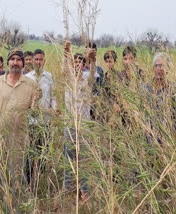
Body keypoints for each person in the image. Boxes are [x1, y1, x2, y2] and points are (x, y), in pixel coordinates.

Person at [0, 49, 38, 202]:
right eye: (12, 59)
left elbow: (35, 114)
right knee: (1, 173)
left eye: (19, 59)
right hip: (1, 138)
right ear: (8, 62)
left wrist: (36, 103)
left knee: (17, 174)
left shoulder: (31, 84)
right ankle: (2, 203)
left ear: (23, 63)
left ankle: (15, 203)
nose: (15, 62)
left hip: (20, 139)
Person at [63, 41, 97, 202]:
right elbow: (64, 69)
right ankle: (67, 188)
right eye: (74, 62)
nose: (77, 64)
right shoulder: (68, 80)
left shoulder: (87, 80)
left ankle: (84, 191)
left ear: (84, 65)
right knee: (68, 158)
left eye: (80, 62)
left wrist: (93, 60)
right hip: (69, 126)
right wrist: (65, 53)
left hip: (83, 126)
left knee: (83, 159)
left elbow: (93, 73)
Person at [25, 49, 57, 184]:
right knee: (30, 155)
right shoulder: (27, 78)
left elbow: (53, 96)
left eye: (40, 60)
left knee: (44, 154)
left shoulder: (49, 77)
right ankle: (28, 183)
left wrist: (54, 110)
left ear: (44, 61)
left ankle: (41, 182)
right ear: (32, 61)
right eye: (36, 59)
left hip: (46, 122)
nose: (38, 62)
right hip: (32, 122)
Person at [142, 52, 176, 144]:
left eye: (164, 66)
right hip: (147, 136)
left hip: (166, 137)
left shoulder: (173, 89)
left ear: (169, 69)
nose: (161, 69)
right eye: (158, 66)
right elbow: (138, 110)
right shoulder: (144, 88)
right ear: (153, 68)